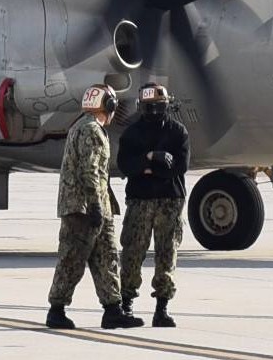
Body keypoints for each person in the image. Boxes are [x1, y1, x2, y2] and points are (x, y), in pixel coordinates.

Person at [45, 84, 142, 330]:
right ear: (107, 106)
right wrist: (96, 206)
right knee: (72, 259)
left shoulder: (81, 126)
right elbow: (91, 171)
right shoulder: (91, 131)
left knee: (106, 258)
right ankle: (56, 310)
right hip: (85, 208)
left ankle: (113, 310)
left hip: (94, 206)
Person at [117, 82, 191, 328]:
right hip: (140, 200)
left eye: (158, 107)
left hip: (169, 200)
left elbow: (180, 167)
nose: (154, 112)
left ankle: (162, 307)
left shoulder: (178, 132)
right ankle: (126, 304)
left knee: (167, 253)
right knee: (132, 252)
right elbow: (125, 165)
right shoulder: (132, 133)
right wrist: (151, 161)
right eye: (149, 108)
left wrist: (147, 170)